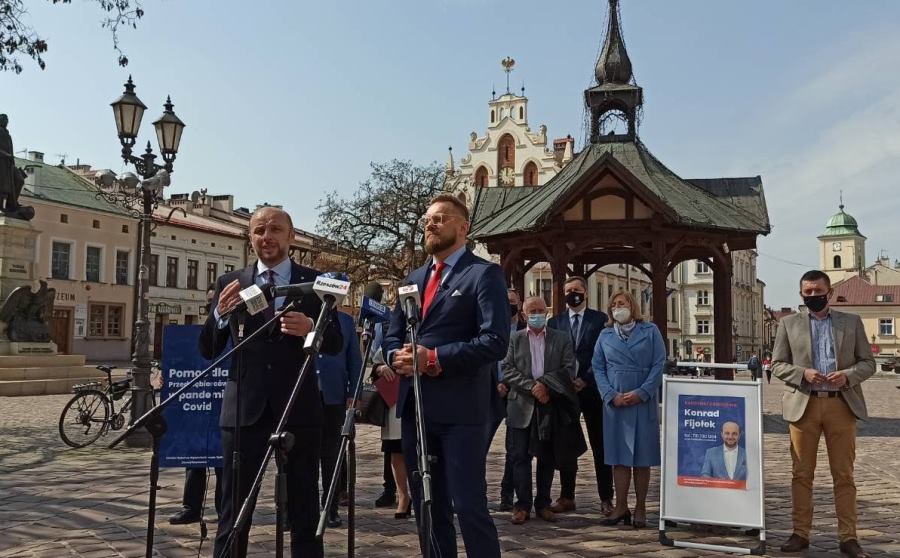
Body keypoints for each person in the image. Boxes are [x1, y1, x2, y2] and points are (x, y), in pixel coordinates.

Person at [200, 206, 343, 558]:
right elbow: (208, 348)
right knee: (234, 510)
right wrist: (220, 314)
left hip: (298, 408)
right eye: (259, 230)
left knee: (304, 508)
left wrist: (312, 328)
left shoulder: (316, 282)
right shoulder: (231, 283)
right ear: (250, 237)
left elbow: (337, 342)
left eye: (275, 229)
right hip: (244, 412)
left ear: (291, 237)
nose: (267, 237)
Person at [384, 193, 509, 558]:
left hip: (462, 411)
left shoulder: (483, 274)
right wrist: (395, 355)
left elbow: (495, 341)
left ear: (463, 227)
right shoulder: (412, 279)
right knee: (428, 507)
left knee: (468, 506)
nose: (431, 224)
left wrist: (435, 358)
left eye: (440, 218)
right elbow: (392, 335)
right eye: (427, 220)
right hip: (417, 409)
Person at [772, 270, 875, 558]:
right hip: (803, 405)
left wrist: (849, 376)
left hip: (841, 404)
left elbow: (868, 362)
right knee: (801, 474)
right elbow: (777, 364)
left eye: (818, 291)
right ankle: (800, 533)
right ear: (801, 294)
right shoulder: (788, 324)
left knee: (843, 474)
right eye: (808, 292)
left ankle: (848, 537)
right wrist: (802, 373)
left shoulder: (851, 322)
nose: (813, 296)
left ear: (829, 293)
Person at [502, 296, 584, 524]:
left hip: (549, 405)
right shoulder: (515, 339)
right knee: (519, 457)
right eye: (532, 311)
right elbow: (507, 369)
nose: (537, 314)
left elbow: (568, 368)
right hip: (521, 405)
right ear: (524, 314)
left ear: (546, 312)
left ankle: (543, 504)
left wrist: (546, 386)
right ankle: (522, 505)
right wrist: (532, 386)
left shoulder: (561, 338)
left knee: (546, 457)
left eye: (540, 310)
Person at [592, 291, 665, 529]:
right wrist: (609, 395)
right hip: (616, 403)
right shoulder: (604, 335)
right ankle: (621, 506)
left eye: (621, 303)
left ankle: (640, 507)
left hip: (642, 401)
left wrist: (643, 392)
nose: (617, 307)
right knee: (619, 458)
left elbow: (658, 364)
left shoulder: (650, 331)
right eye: (613, 304)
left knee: (642, 458)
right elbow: (597, 367)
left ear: (632, 306)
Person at [547, 276, 613, 515]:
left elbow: (604, 354)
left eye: (576, 290)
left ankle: (606, 497)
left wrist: (586, 379)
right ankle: (567, 496)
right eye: (567, 291)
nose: (571, 294)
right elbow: (551, 356)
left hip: (592, 390)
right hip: (566, 392)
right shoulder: (555, 322)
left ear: (585, 293)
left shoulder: (600, 320)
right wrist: (565, 381)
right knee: (567, 444)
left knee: (600, 445)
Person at [169, 287, 224, 525]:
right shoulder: (194, 334)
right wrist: (166, 377)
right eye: (209, 301)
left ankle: (224, 509)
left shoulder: (233, 332)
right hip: (197, 406)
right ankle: (191, 507)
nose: (211, 305)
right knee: (194, 460)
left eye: (215, 301)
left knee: (223, 462)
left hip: (223, 405)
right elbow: (180, 366)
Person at [316, 306, 362, 528]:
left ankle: (330, 507)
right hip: (304, 396)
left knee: (332, 456)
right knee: (300, 455)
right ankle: (293, 510)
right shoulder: (304, 312)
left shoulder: (345, 321)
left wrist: (354, 392)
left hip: (334, 395)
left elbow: (354, 359)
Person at [494, 287, 525, 512]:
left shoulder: (525, 330)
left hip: (516, 392)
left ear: (519, 304)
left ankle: (507, 493)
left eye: (513, 302)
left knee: (513, 448)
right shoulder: (491, 328)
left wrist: (508, 383)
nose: (509, 306)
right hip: (492, 392)